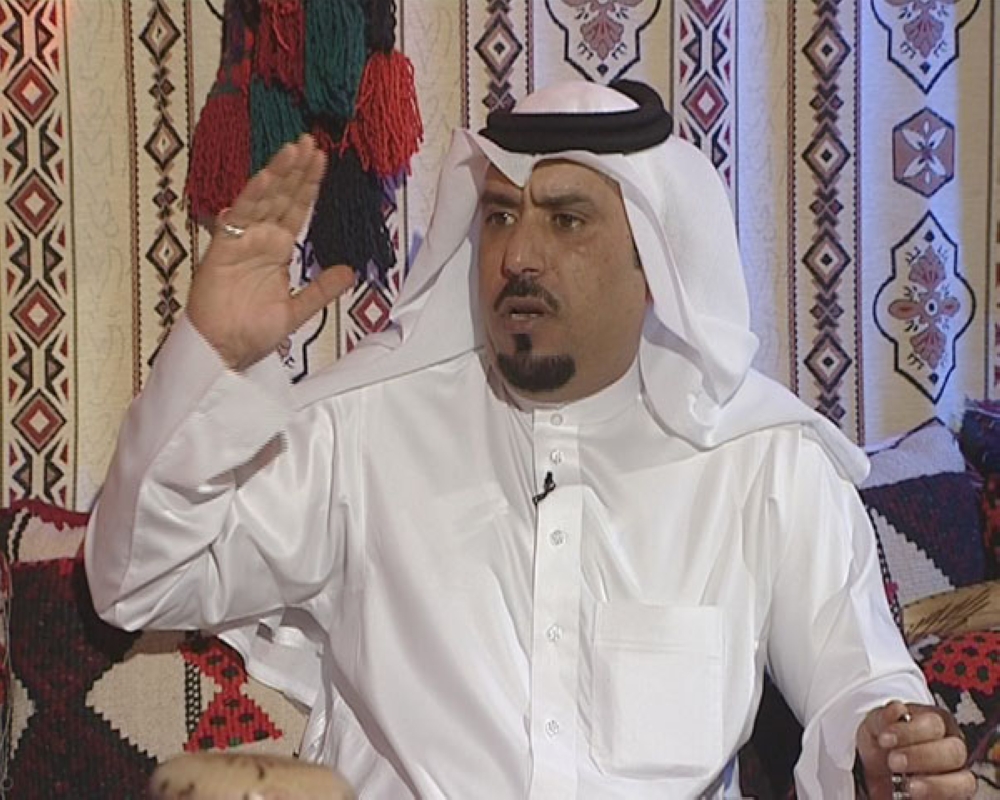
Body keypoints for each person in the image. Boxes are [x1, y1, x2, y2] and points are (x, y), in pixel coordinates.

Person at [85, 80, 974, 799]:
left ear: (654, 261)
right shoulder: (362, 434)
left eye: (566, 219)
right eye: (501, 216)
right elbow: (137, 581)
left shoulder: (761, 459)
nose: (517, 256)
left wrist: (885, 746)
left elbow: (860, 680)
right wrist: (209, 355)